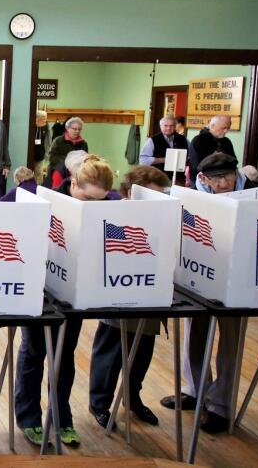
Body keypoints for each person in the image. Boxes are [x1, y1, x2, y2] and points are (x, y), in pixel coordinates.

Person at [16, 154, 116, 447]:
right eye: (86, 197)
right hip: (40, 288)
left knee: (65, 355)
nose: (91, 206)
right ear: (73, 183)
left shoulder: (107, 207)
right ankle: (29, 417)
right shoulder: (46, 201)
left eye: (98, 201)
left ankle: (62, 417)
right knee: (34, 352)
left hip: (76, 292)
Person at [161, 152, 258, 434]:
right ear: (204, 178)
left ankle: (220, 406)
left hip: (238, 278)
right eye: (218, 178)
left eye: (230, 175)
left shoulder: (254, 194)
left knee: (231, 341)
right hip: (201, 273)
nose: (226, 182)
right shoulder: (193, 196)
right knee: (195, 332)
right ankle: (195, 390)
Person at [88, 165, 172, 431]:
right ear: (132, 191)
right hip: (116, 291)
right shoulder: (114, 212)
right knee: (110, 351)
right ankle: (100, 403)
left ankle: (132, 397)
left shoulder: (163, 217)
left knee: (143, 350)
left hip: (148, 291)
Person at [186, 115, 235, 181]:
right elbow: (197, 166)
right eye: (224, 128)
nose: (226, 131)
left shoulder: (226, 141)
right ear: (212, 126)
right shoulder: (198, 140)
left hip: (224, 177)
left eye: (228, 128)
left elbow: (234, 162)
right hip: (203, 179)